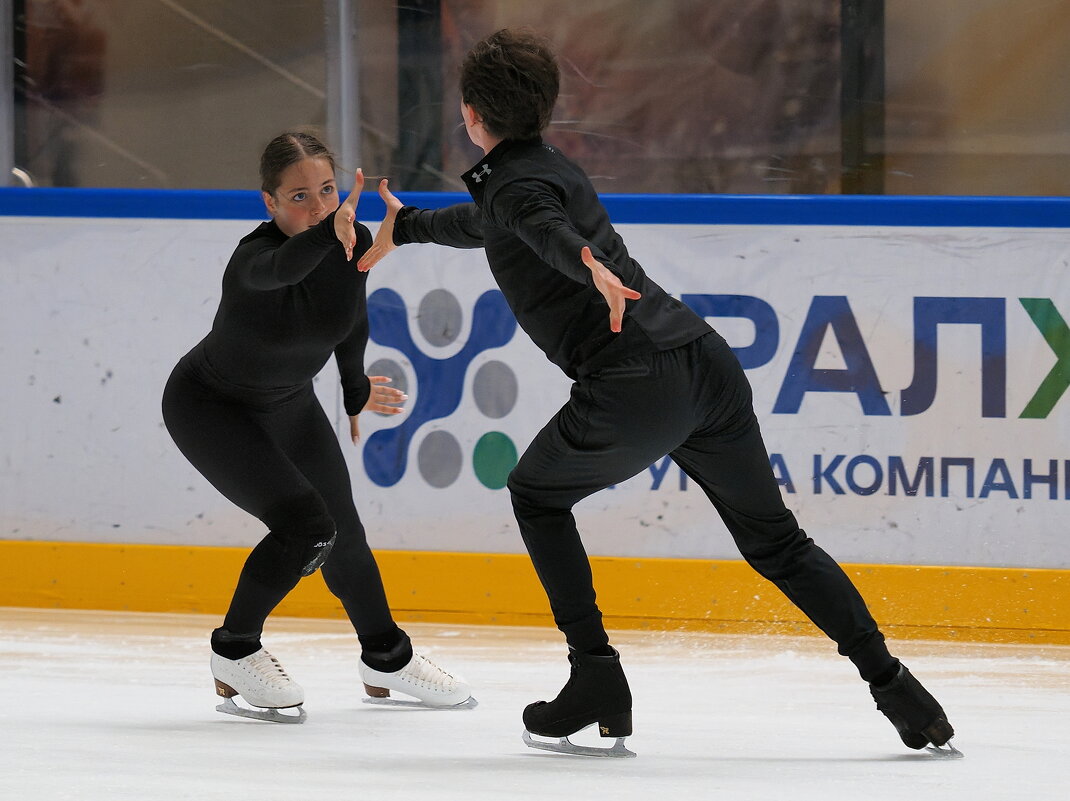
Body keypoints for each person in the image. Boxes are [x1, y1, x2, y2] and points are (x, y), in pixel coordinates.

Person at [356, 29, 957, 757]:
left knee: (536, 495)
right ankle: (895, 685)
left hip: (634, 381)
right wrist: (407, 229)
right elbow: (499, 221)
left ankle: (596, 676)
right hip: (703, 361)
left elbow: (538, 229)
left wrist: (585, 262)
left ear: (470, 113)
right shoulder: (537, 171)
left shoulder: (521, 189)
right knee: (778, 542)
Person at [161, 131, 473, 723]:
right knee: (306, 526)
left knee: (343, 532)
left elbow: (347, 319)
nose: (320, 205)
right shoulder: (253, 259)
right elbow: (286, 267)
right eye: (299, 196)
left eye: (328, 190)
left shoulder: (347, 245)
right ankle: (234, 650)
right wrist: (333, 233)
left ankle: (386, 656)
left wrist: (354, 389)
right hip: (211, 406)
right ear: (269, 204)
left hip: (290, 403)